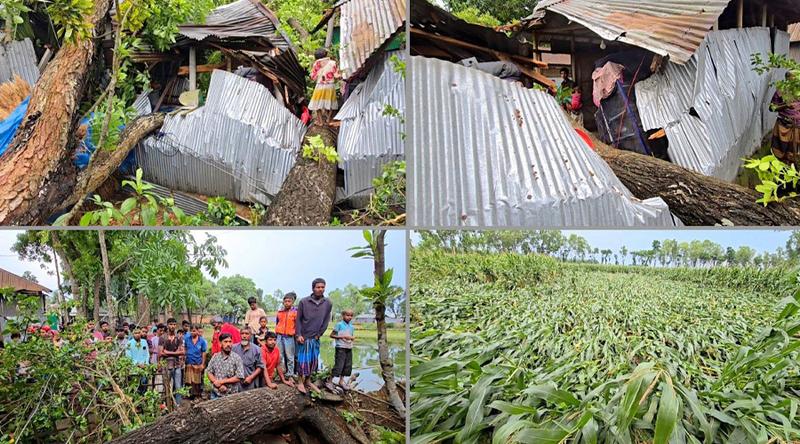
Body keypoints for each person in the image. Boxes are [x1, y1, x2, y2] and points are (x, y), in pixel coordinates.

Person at [296, 278, 332, 394]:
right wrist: (298, 334)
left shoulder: (327, 303)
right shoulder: (304, 302)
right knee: (302, 360)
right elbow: (298, 320)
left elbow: (326, 320)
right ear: (313, 288)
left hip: (315, 337)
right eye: (318, 287)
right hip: (304, 336)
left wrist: (320, 333)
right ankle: (300, 381)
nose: (320, 289)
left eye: (322, 287)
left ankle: (308, 380)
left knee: (313, 360)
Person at [771, 72, 800, 163]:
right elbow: (772, 108)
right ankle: (778, 165)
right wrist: (785, 105)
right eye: (791, 79)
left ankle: (792, 166)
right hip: (783, 124)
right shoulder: (781, 91)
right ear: (787, 79)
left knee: (794, 149)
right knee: (780, 148)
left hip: (797, 125)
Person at [206, 333, 245, 399]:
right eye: (225, 342)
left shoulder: (236, 358)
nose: (228, 344)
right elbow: (209, 372)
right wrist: (218, 384)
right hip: (215, 394)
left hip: (231, 395)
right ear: (220, 343)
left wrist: (221, 382)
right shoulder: (215, 356)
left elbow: (239, 376)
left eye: (230, 342)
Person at [308, 48, 341, 124]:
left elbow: (313, 77)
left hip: (320, 86)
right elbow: (336, 76)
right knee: (331, 103)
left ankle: (320, 122)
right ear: (325, 54)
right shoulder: (333, 63)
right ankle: (329, 119)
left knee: (316, 104)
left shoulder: (316, 64)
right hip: (330, 86)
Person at [159, 318, 186, 406]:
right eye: (171, 324)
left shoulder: (179, 338)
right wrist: (175, 353)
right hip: (166, 365)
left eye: (174, 324)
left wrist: (167, 352)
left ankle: (177, 405)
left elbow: (182, 352)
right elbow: (161, 353)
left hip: (177, 365)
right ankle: (165, 405)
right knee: (166, 386)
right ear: (167, 325)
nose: (172, 326)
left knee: (178, 387)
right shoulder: (162, 338)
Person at [330, 310, 356, 390]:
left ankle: (341, 381)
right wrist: (342, 337)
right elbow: (332, 335)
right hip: (340, 347)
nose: (349, 317)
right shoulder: (339, 325)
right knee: (339, 365)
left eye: (351, 316)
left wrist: (352, 338)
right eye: (347, 315)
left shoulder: (351, 327)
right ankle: (329, 381)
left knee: (347, 365)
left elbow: (350, 336)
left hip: (348, 347)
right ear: (343, 316)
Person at [232, 327, 263, 391]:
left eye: (246, 334)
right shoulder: (233, 348)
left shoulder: (257, 349)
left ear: (251, 335)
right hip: (236, 384)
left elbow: (260, 367)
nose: (244, 336)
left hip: (251, 383)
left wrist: (251, 377)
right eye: (242, 333)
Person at [275, 292, 298, 379]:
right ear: (283, 302)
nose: (287, 303)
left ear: (292, 302)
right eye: (285, 301)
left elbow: (297, 325)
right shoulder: (280, 312)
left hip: (289, 337)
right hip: (279, 336)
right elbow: (277, 323)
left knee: (290, 356)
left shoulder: (295, 312)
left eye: (289, 301)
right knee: (279, 356)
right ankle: (280, 373)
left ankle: (290, 374)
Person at [184, 324, 207, 400]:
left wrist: (203, 364)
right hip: (189, 363)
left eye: (194, 331)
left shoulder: (202, 341)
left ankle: (197, 395)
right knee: (189, 380)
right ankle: (190, 395)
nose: (192, 332)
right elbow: (185, 349)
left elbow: (203, 353)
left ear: (197, 331)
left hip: (198, 363)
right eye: (191, 331)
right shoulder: (187, 339)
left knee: (197, 381)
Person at [127, 327, 150, 394]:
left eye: (139, 333)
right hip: (134, 369)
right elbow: (128, 357)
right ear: (133, 334)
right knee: (136, 389)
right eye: (135, 333)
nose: (137, 334)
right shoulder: (129, 343)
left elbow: (147, 354)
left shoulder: (144, 342)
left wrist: (146, 363)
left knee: (144, 386)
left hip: (144, 368)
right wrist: (138, 364)